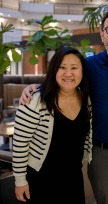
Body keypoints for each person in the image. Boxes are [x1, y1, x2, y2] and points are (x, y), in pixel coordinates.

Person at [18, 6, 108, 204]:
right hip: (102, 155)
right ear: (102, 34)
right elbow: (65, 79)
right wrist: (35, 88)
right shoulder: (89, 66)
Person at [12, 46, 91, 204]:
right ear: (54, 70)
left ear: (82, 72)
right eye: (62, 67)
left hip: (73, 180)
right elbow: (20, 143)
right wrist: (20, 181)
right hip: (41, 180)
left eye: (74, 68)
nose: (68, 74)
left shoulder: (86, 100)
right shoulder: (35, 100)